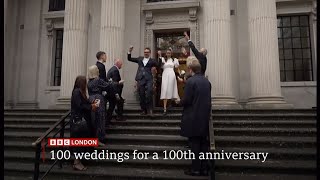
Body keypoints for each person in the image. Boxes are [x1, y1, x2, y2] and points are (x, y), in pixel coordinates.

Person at [177, 58, 211, 176]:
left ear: (190, 69)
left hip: (193, 118)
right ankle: (205, 168)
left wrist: (178, 102)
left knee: (195, 145)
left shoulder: (191, 82)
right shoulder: (207, 82)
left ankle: (196, 169)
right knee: (203, 145)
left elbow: (186, 100)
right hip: (204, 118)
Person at [70, 75, 99, 171]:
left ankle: (79, 161)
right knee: (79, 142)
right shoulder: (77, 92)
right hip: (79, 121)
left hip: (82, 121)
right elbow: (79, 106)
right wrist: (91, 107)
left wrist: (91, 104)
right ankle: (76, 162)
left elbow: (83, 104)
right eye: (85, 82)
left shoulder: (79, 92)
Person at [87, 65, 118, 144]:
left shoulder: (89, 82)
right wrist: (114, 83)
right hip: (98, 99)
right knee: (100, 119)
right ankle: (99, 138)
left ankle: (93, 138)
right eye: (97, 69)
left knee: (93, 119)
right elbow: (108, 86)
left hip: (91, 99)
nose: (98, 70)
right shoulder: (98, 80)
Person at [127, 46, 159, 116]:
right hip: (141, 78)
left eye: (147, 52)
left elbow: (158, 64)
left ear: (150, 53)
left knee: (149, 93)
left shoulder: (152, 60)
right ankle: (143, 110)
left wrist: (159, 56)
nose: (146, 53)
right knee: (141, 95)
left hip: (149, 78)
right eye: (145, 52)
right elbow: (129, 59)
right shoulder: (140, 59)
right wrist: (129, 51)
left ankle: (150, 110)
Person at [158, 49, 180, 115]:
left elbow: (177, 68)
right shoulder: (163, 59)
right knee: (165, 90)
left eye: (169, 53)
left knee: (171, 90)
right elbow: (159, 65)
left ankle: (171, 105)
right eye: (167, 53)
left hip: (171, 75)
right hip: (165, 75)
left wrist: (180, 74)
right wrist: (159, 55)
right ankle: (164, 109)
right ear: (166, 53)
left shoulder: (174, 60)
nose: (168, 54)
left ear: (171, 53)